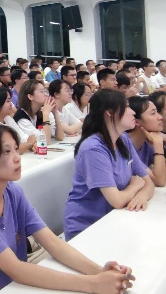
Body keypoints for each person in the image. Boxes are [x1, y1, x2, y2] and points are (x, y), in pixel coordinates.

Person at [0, 123, 135, 294]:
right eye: (7, 152)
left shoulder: (12, 192)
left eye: (16, 149)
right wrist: (93, 284)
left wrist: (99, 272)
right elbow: (16, 269)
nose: (17, 157)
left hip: (11, 288)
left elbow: (52, 242)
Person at [64, 90, 155, 240]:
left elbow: (149, 182)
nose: (133, 112)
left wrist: (141, 196)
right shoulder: (93, 149)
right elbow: (117, 201)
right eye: (127, 107)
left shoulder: (123, 140)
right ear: (110, 112)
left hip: (117, 219)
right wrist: (135, 186)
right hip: (88, 228)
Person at [127, 96, 166, 187]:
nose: (160, 117)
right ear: (136, 121)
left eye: (157, 112)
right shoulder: (125, 144)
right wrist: (158, 144)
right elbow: (159, 181)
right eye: (153, 113)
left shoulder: (145, 143)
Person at [0, 86, 36, 154]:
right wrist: (29, 144)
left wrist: (32, 144)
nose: (11, 105)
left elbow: (22, 137)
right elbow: (5, 152)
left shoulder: (8, 118)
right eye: (8, 101)